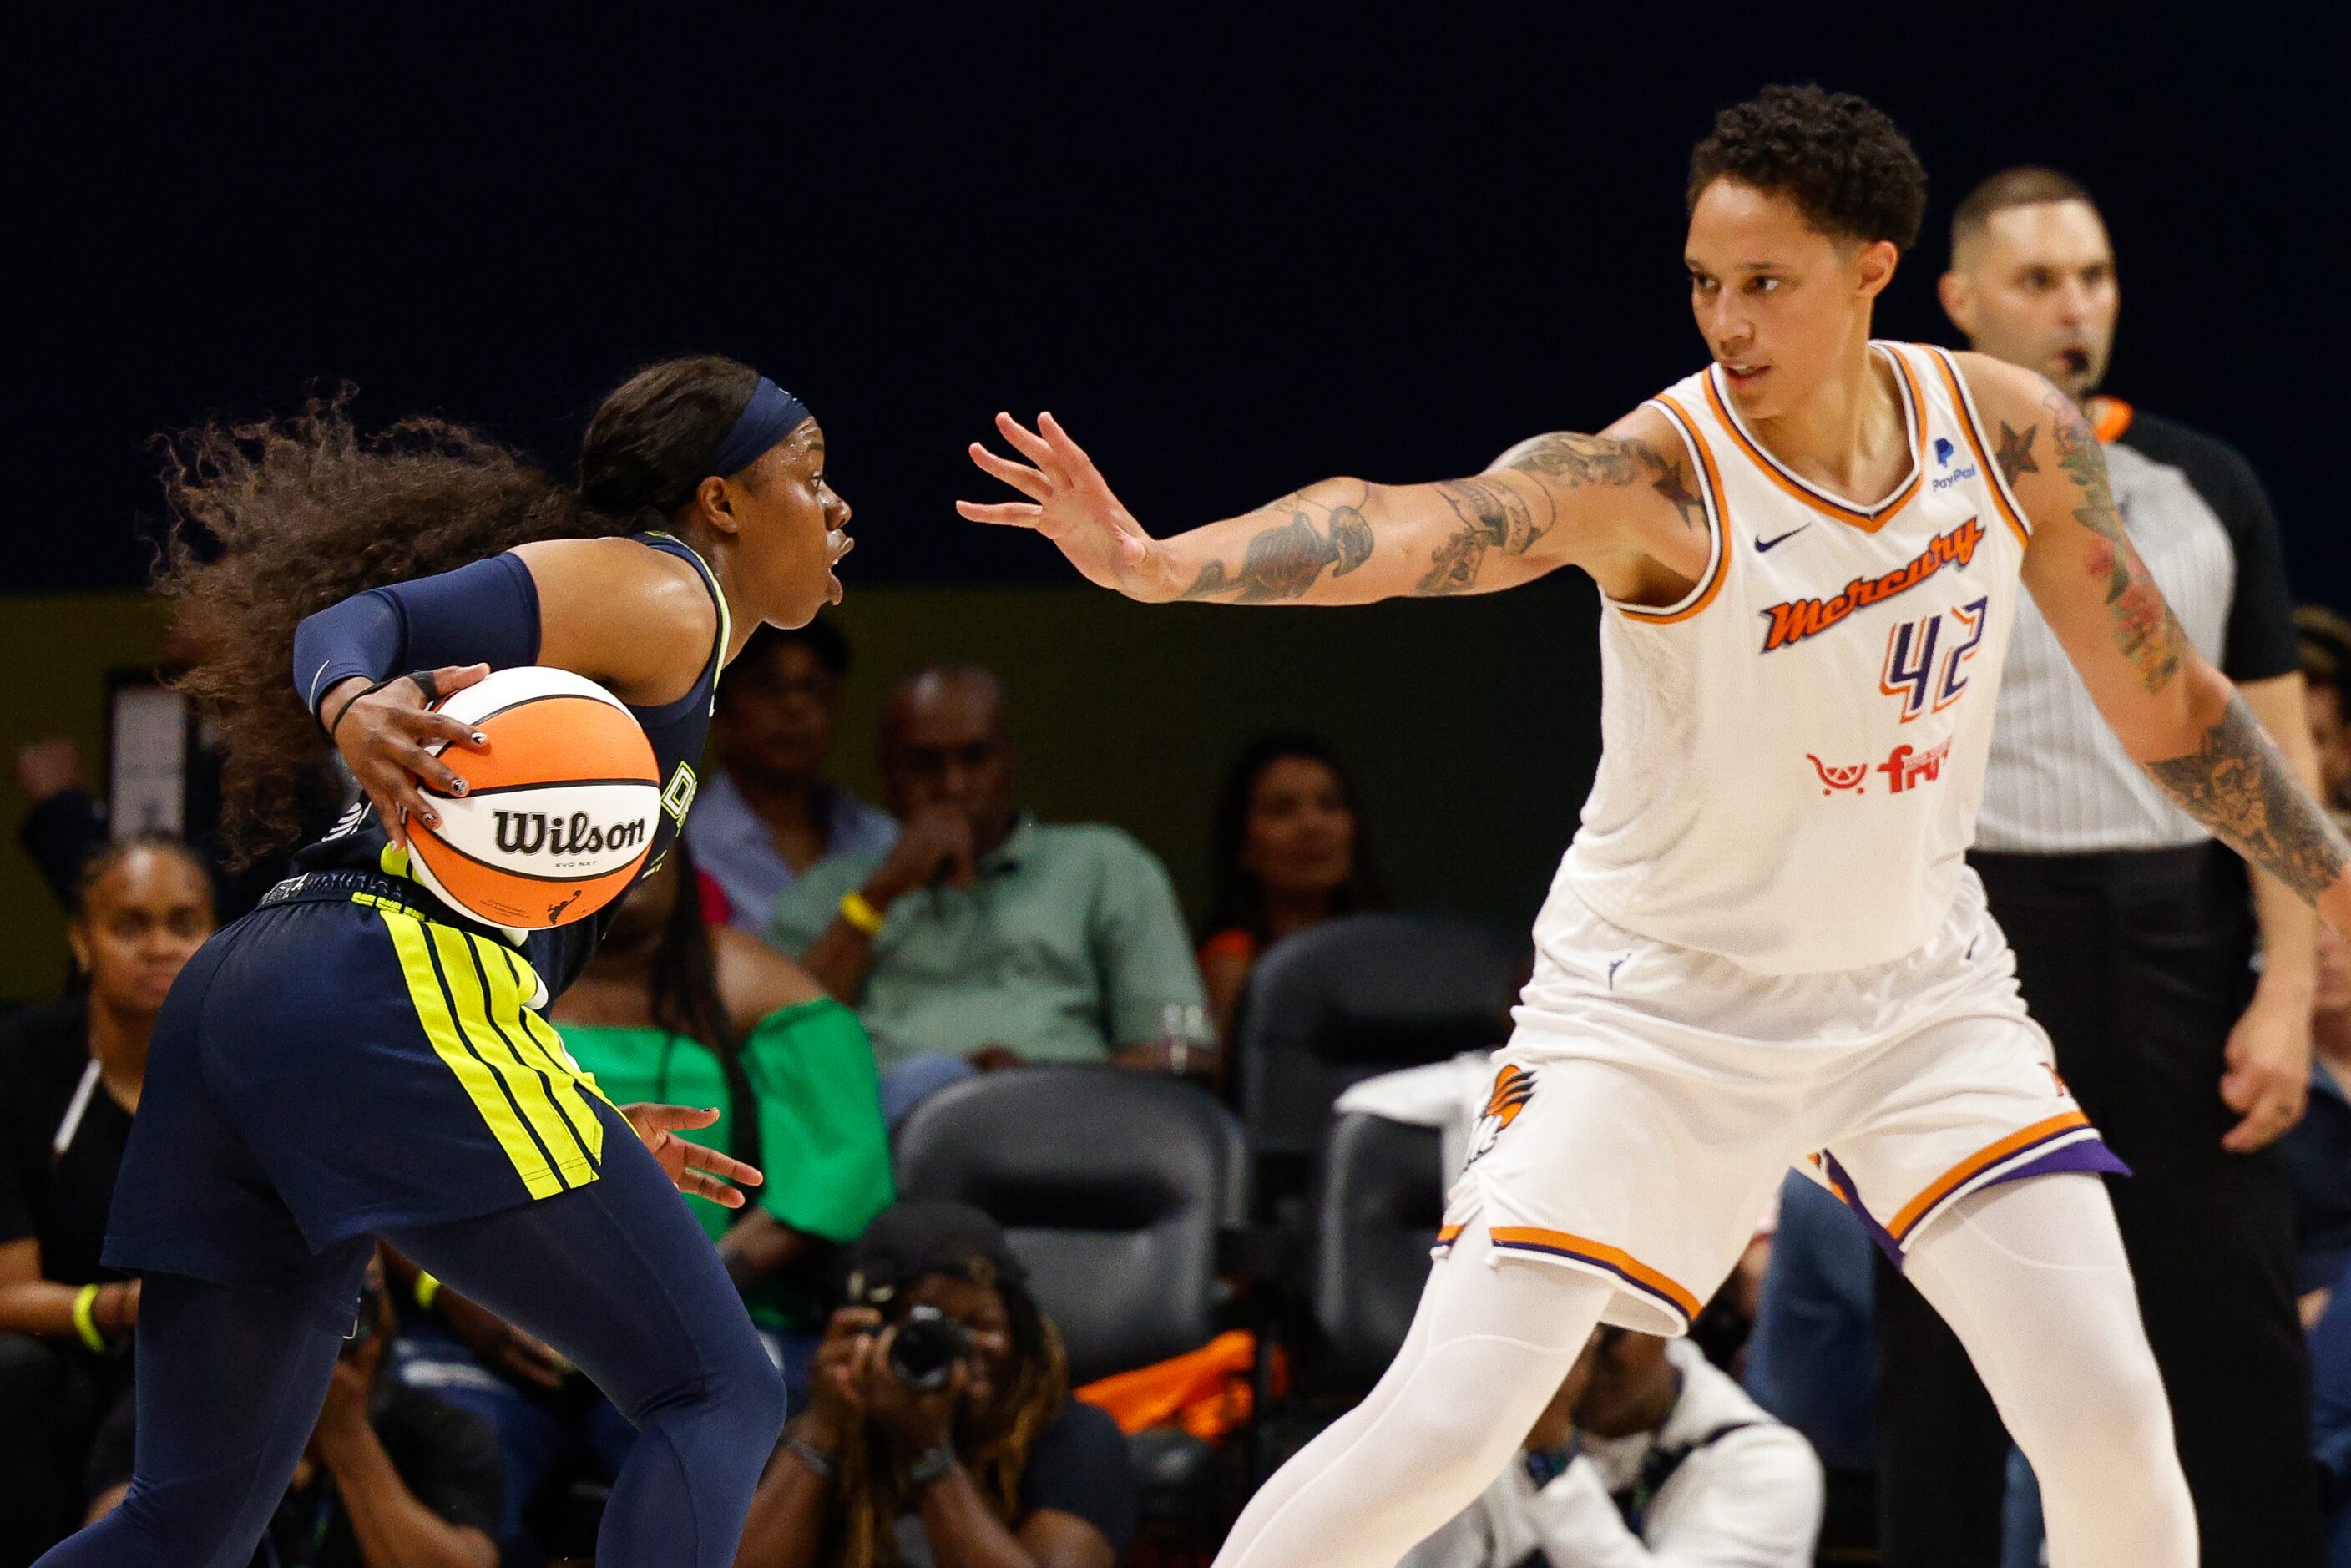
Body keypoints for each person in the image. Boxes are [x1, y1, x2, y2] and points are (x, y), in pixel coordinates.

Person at [959, 83, 2351, 1568]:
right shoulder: (1660, 475)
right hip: (1653, 1014)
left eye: (1767, 283)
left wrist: (2327, 874)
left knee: (2114, 1430)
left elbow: (2170, 703)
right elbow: (1418, 521)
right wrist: (1167, 566)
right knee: (1440, 1430)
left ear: (1874, 266)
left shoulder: (2005, 433)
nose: (1726, 322)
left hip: (1917, 1000)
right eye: (1703, 282)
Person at [33, 355, 854, 1568]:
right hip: (379, 986)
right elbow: (354, 625)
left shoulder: (655, 647)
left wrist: (561, 1111)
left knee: (185, 1520)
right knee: (719, 1390)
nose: (837, 506)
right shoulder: (670, 593)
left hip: (265, 986)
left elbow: (490, 923)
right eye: (811, 472)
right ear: (721, 501)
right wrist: (355, 703)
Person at [1851, 164, 2327, 1568]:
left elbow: (2279, 765)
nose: (2074, 306)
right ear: (1957, 299)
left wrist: (2288, 990)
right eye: (2039, 280)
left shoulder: (2203, 483)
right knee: (1939, 1355)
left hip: (2180, 939)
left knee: (2231, 1339)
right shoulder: (1881, 491)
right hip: (1966, 942)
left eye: (2095, 277)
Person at [394, 833, 894, 1555]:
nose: (617, 871)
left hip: (701, 1318)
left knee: (712, 1452)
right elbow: (379, 1178)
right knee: (442, 1444)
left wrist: (663, 1299)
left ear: (686, 861)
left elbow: (832, 1182)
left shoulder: (767, 995)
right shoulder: (466, 982)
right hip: (492, 1329)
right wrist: (460, 1305)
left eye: (638, 847)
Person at [768, 665, 1214, 1120]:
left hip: (1067, 1130)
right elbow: (780, 1054)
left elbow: (1181, 1057)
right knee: (926, 1080)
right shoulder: (832, 891)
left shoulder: (1101, 865)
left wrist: (1035, 1085)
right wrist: (882, 892)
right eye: (925, 763)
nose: (952, 786)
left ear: (1009, 762)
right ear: (887, 772)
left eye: (976, 758)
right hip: (890, 1138)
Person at [0, 837, 215, 1564]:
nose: (159, 947)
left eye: (184, 924)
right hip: (57, 1345)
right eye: (129, 925)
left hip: (197, 1344)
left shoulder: (249, 1066)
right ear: (81, 942)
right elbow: (8, 1292)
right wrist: (120, 1307)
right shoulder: (18, 1063)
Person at [736, 1200, 1138, 1568]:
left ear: (1021, 1333)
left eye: (981, 1325)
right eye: (934, 1330)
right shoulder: (800, 1421)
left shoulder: (1072, 1437)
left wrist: (928, 1453)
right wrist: (823, 1431)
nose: (963, 1350)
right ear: (866, 1335)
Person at [84, 1251, 503, 1568]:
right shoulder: (172, 1415)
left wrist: (346, 1436)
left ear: (389, 1310)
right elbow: (117, 1551)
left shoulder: (442, 1429)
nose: (337, 1331)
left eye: (360, 1300)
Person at [1400, 1324, 1823, 1568]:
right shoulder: (1493, 1421)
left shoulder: (1767, 1466)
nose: (1585, 1359)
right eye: (1571, 1329)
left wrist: (1550, 1456)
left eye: (1610, 1331)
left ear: (1669, 1321)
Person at [688, 620, 898, 932]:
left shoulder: (880, 837)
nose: (795, 705)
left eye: (813, 688)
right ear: (721, 708)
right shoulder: (685, 846)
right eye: (769, 686)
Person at [1196, 731, 1388, 1041]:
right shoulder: (1233, 963)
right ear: (1243, 846)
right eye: (1282, 809)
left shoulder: (1388, 949)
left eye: (1330, 805)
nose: (1312, 825)